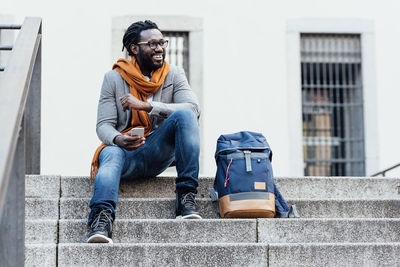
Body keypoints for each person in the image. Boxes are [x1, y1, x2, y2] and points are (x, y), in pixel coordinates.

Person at [87, 20, 201, 244]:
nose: (159, 48)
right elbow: (104, 125)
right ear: (134, 48)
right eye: (152, 43)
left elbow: (193, 108)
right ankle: (101, 218)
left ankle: (186, 197)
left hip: (158, 151)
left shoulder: (174, 74)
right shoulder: (114, 78)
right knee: (109, 153)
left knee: (185, 115)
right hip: (125, 153)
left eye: (162, 42)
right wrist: (119, 139)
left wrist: (148, 106)